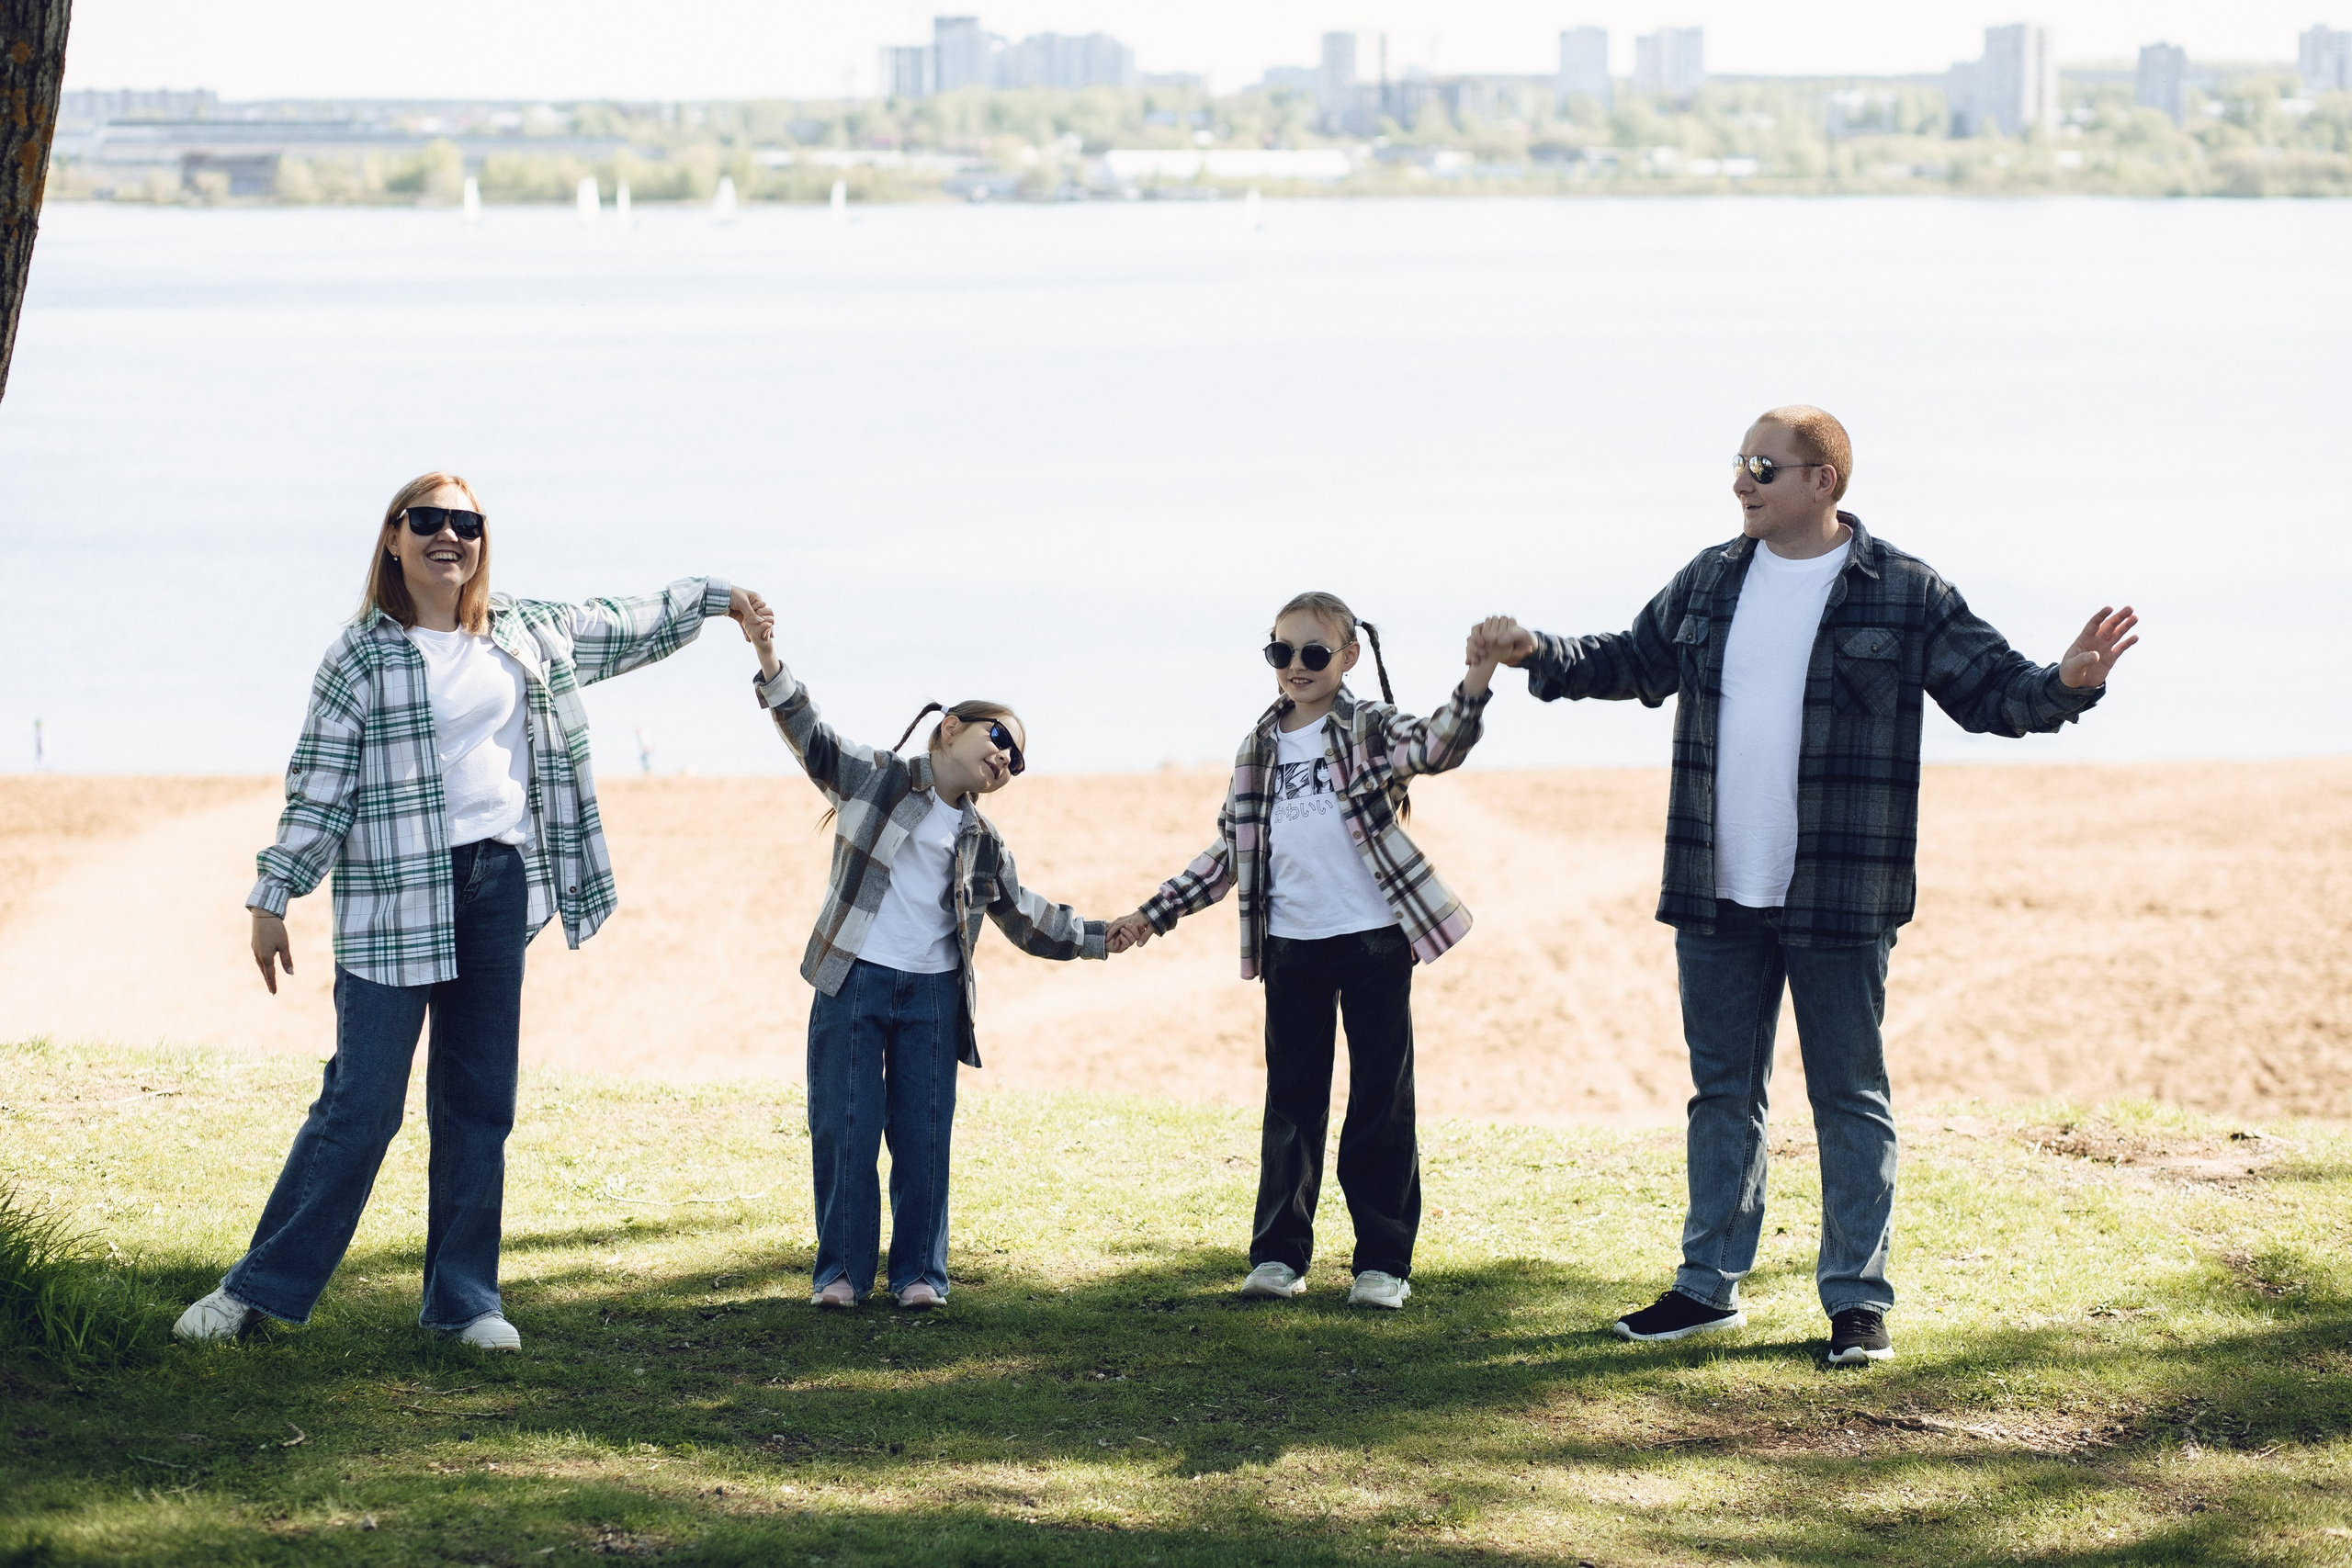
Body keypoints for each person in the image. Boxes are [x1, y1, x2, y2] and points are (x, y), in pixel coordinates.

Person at [1473, 406, 2138, 1365]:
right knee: (1722, 1092)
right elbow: (1635, 659)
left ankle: (1856, 1303)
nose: (1742, 482)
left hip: (1840, 888)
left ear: (1823, 481)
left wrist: (2068, 682)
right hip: (1715, 882)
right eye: (1739, 464)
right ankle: (1706, 1290)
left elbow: (1995, 693)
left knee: (1848, 1095)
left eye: (1763, 466)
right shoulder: (1711, 578)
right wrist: (1537, 651)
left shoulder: (1904, 591)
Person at [174, 471, 766, 1351]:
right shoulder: (360, 656)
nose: (448, 536)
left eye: (467, 522)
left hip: (498, 886)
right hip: (394, 901)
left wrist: (718, 599)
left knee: (479, 1101)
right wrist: (274, 892)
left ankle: (464, 1301)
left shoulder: (523, 632)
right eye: (428, 521)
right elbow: (320, 785)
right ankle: (254, 1293)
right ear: (392, 538)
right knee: (360, 1104)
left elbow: (626, 620)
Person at [1108, 595, 1518, 1310]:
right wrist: (1154, 913)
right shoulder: (1256, 747)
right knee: (1292, 1104)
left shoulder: (1369, 727)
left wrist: (1477, 679)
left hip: (1374, 942)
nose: (1295, 667)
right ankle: (1277, 1256)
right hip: (1291, 948)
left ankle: (1382, 1264)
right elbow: (1229, 852)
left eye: (1313, 653)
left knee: (1381, 1103)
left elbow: (1437, 745)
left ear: (1348, 657)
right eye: (1280, 653)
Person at [747, 608, 1113, 1312]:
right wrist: (768, 655)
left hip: (935, 1000)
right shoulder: (876, 778)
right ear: (951, 727)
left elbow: (1026, 915)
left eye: (1018, 757)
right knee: (845, 1128)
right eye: (999, 737)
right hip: (852, 981)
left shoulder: (981, 837)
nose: (1007, 757)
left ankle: (920, 1273)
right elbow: (809, 735)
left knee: (922, 1139)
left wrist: (1102, 933)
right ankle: (841, 1274)